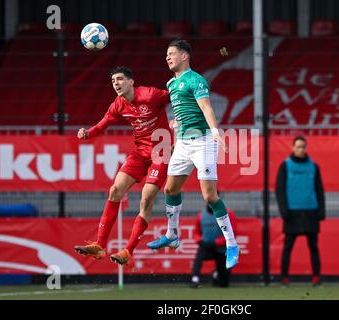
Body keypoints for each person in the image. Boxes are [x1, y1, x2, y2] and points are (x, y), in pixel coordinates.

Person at [146, 39, 239, 270]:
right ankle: (172, 234)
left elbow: (206, 107)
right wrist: (176, 125)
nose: (167, 57)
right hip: (183, 143)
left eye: (172, 53)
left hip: (203, 142)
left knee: (210, 196)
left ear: (184, 56)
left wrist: (216, 131)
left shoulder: (196, 80)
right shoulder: (171, 83)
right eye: (166, 54)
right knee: (170, 189)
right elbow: (183, 110)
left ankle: (231, 244)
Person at [74, 67, 172, 266]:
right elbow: (102, 125)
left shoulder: (150, 94)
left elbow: (176, 97)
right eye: (113, 81)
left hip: (161, 153)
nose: (116, 84)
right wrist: (88, 133)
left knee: (146, 199)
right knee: (115, 190)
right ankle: (100, 245)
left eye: (120, 79)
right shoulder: (118, 104)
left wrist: (183, 119)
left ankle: (128, 251)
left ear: (131, 82)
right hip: (139, 153)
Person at [275, 136, 325, 287]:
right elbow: (280, 190)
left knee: (314, 247)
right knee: (288, 247)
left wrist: (321, 211)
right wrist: (284, 211)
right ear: (293, 147)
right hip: (292, 213)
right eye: (298, 146)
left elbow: (319, 189)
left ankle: (316, 279)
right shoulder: (285, 165)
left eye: (303, 146)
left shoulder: (314, 167)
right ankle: (284, 279)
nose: (301, 149)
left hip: (310, 212)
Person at [190, 196, 238, 288]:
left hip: (221, 249)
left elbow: (232, 233)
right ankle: (195, 279)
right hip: (206, 246)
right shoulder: (201, 215)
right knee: (199, 257)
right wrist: (200, 241)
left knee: (224, 284)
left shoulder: (228, 213)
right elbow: (196, 232)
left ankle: (216, 274)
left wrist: (217, 242)